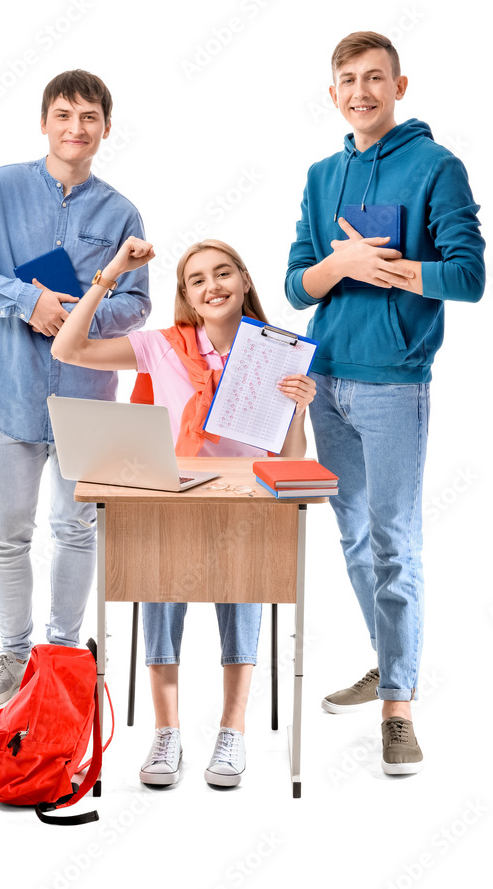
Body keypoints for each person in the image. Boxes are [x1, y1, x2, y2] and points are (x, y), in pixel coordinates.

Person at [285, 31, 485, 774]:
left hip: (394, 383)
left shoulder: (437, 166)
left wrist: (391, 272)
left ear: (401, 87)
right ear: (332, 92)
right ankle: (388, 661)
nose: (361, 90)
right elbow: (294, 282)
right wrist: (337, 263)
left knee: (395, 542)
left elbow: (468, 279)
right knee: (355, 539)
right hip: (324, 379)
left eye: (375, 78)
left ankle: (398, 710)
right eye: (347, 79)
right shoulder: (318, 175)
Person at [48, 236, 315, 787]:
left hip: (242, 502)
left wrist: (298, 407)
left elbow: (291, 460)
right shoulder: (161, 346)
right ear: (188, 298)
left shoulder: (276, 352)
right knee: (155, 580)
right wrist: (111, 274)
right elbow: (67, 350)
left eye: (223, 274)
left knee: (245, 581)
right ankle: (166, 732)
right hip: (170, 493)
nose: (212, 286)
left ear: (243, 281)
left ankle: (231, 731)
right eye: (197, 280)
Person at [0, 70, 150, 706]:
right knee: (6, 531)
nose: (76, 128)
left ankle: (62, 654)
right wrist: (27, 301)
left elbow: (138, 305)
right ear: (44, 122)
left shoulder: (121, 212)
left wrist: (81, 311)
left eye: (89, 117)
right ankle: (13, 653)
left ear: (106, 129)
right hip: (9, 398)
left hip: (86, 401)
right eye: (64, 115)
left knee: (76, 529)